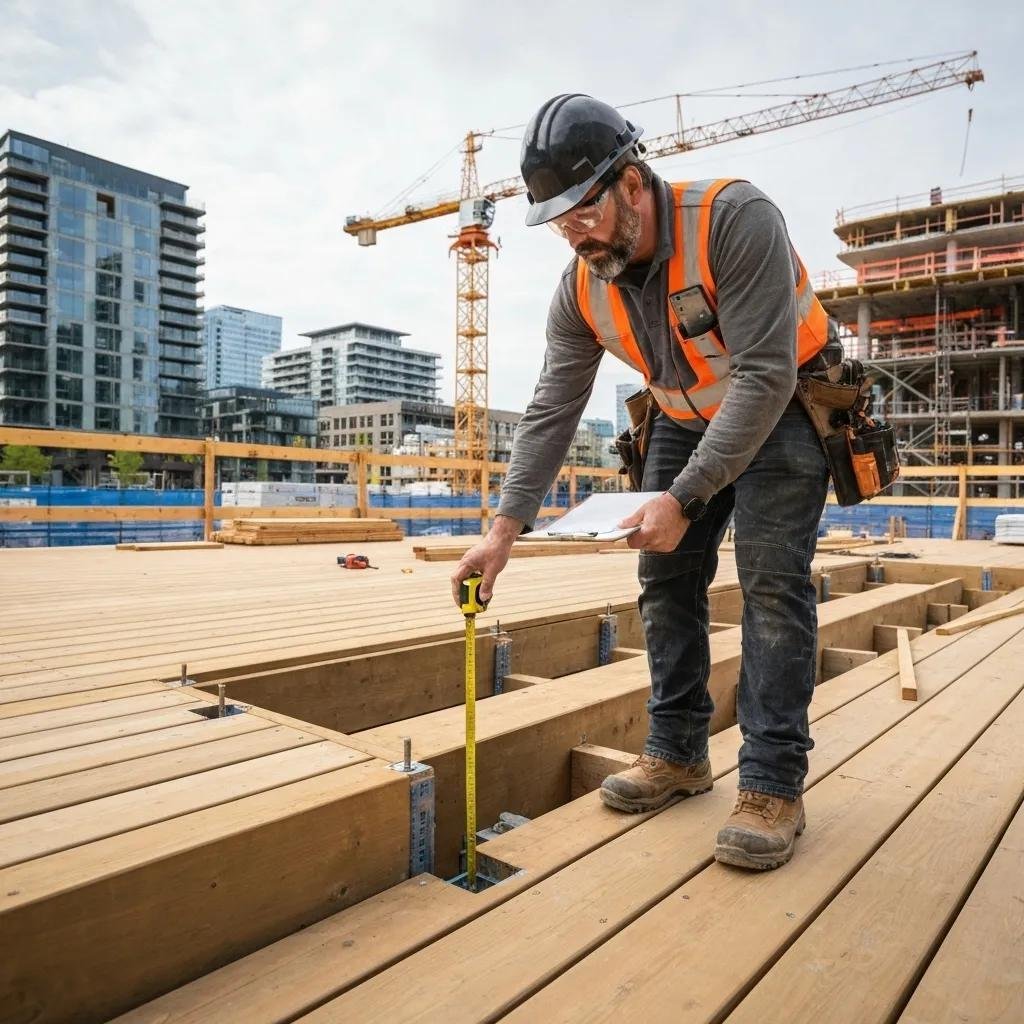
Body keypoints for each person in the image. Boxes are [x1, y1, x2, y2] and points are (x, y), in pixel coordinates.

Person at [451, 93, 842, 871]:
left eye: (583, 210)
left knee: (770, 584)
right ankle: (677, 754)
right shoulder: (581, 286)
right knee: (663, 579)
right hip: (682, 416)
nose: (572, 231)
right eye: (556, 219)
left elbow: (763, 375)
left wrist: (686, 497)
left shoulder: (734, 221)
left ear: (632, 182)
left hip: (787, 403)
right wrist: (502, 532)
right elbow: (552, 407)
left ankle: (772, 786)